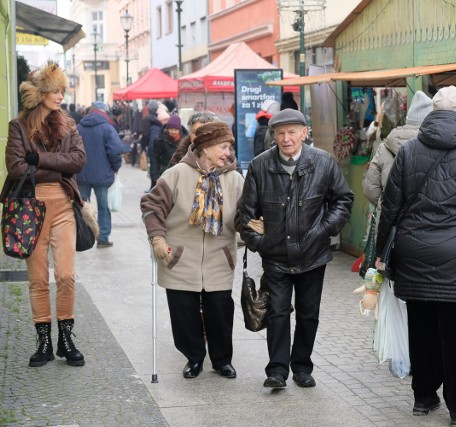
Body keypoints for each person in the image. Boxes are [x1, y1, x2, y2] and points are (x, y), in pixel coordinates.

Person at [375, 85, 456, 426]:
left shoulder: (409, 151)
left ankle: (424, 398)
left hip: (415, 254)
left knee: (421, 330)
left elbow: (390, 206)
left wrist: (381, 255)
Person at [236, 109, 354, 389]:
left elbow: (343, 200)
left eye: (292, 132)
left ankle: (302, 366)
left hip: (313, 255)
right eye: (280, 133)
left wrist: (324, 230)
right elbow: (246, 214)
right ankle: (277, 370)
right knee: (277, 311)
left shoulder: (323, 162)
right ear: (273, 136)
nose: (286, 138)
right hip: (275, 257)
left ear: (304, 133)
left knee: (308, 312)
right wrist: (260, 243)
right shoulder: (259, 165)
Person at [141, 121, 244, 379]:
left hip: (219, 257)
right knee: (183, 314)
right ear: (206, 147)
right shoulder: (176, 174)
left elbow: (244, 214)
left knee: (220, 313)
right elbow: (152, 207)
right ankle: (194, 357)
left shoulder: (234, 179)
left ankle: (222, 360)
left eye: (229, 147)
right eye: (222, 146)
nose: (227, 152)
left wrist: (253, 226)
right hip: (179, 256)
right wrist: (157, 239)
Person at [1, 61, 87, 367]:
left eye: (62, 89)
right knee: (38, 278)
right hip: (29, 210)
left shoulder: (69, 125)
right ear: (39, 94)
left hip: (63, 205)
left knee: (65, 274)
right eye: (54, 90)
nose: (61, 95)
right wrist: (55, 164)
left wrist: (40, 159)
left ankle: (66, 338)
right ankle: (44, 342)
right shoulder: (18, 127)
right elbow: (16, 168)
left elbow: (77, 161)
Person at [363, 91, 433, 207]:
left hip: (392, 221)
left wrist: (387, 208)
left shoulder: (384, 148)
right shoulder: (436, 145)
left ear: (408, 119)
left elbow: (370, 190)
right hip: (428, 220)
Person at [76, 101, 123, 248]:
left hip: (81, 174)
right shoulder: (107, 128)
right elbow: (115, 151)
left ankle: (82, 236)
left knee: (82, 206)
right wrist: (115, 168)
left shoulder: (78, 128)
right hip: (102, 176)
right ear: (104, 112)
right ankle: (102, 238)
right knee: (103, 207)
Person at [150, 114, 187, 188]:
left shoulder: (185, 141)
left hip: (180, 175)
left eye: (176, 129)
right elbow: (154, 159)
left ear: (179, 130)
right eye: (171, 129)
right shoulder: (160, 140)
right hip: (163, 173)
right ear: (167, 129)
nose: (173, 132)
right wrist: (155, 177)